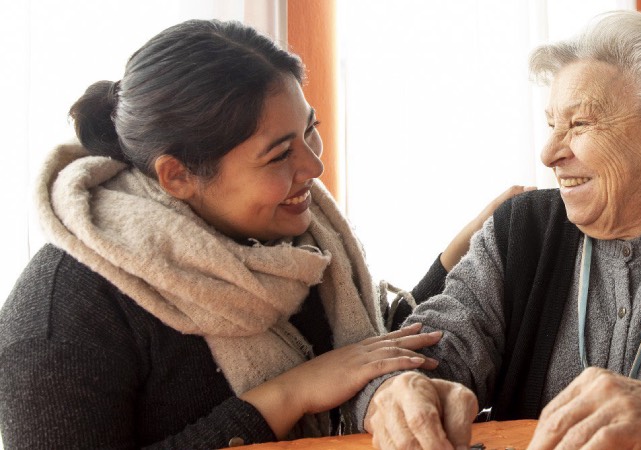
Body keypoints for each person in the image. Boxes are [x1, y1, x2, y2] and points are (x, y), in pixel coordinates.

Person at [0, 19, 527, 449]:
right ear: (177, 175)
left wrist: (462, 253)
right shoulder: (66, 304)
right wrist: (287, 396)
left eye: (309, 131)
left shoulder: (305, 244)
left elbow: (363, 351)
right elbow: (323, 372)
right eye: (280, 153)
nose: (314, 167)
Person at [359, 10, 641, 450]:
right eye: (552, 125)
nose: (549, 153)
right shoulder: (520, 231)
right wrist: (395, 391)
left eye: (580, 124)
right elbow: (418, 355)